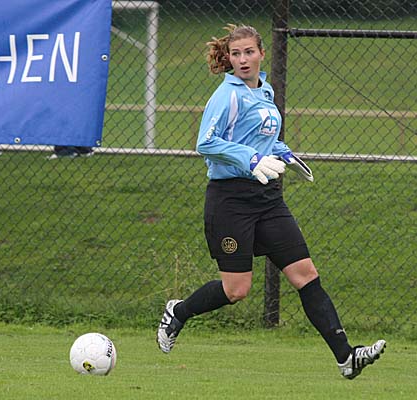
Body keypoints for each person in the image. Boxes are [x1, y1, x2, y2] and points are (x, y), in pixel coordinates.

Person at [157, 24, 386, 380]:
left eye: (249, 52)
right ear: (229, 58)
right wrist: (250, 159)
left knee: (306, 275)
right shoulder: (227, 95)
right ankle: (179, 312)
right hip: (230, 200)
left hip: (267, 198)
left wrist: (285, 154)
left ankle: (347, 358)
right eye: (236, 54)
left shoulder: (265, 91)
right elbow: (206, 142)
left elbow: (263, 139)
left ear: (262, 53)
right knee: (237, 290)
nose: (243, 59)